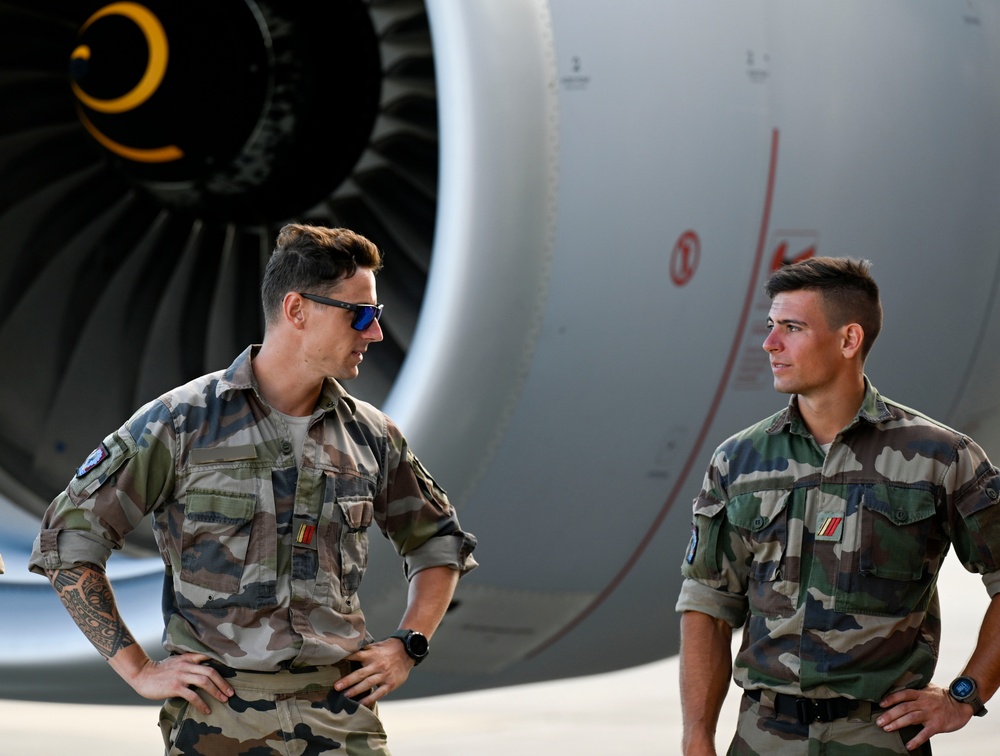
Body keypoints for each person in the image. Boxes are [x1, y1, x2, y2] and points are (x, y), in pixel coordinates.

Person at [29, 223, 478, 755]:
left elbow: (438, 544)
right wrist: (139, 670)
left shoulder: (372, 436)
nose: (374, 332)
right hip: (218, 723)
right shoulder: (179, 424)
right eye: (361, 314)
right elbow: (69, 543)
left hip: (340, 721)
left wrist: (409, 644)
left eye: (375, 315)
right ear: (297, 310)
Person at [675, 256, 1000, 755]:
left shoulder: (940, 458)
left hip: (882, 741)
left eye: (792, 328)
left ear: (849, 340)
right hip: (763, 740)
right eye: (770, 327)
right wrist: (697, 735)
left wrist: (964, 695)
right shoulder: (738, 460)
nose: (769, 344)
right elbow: (708, 605)